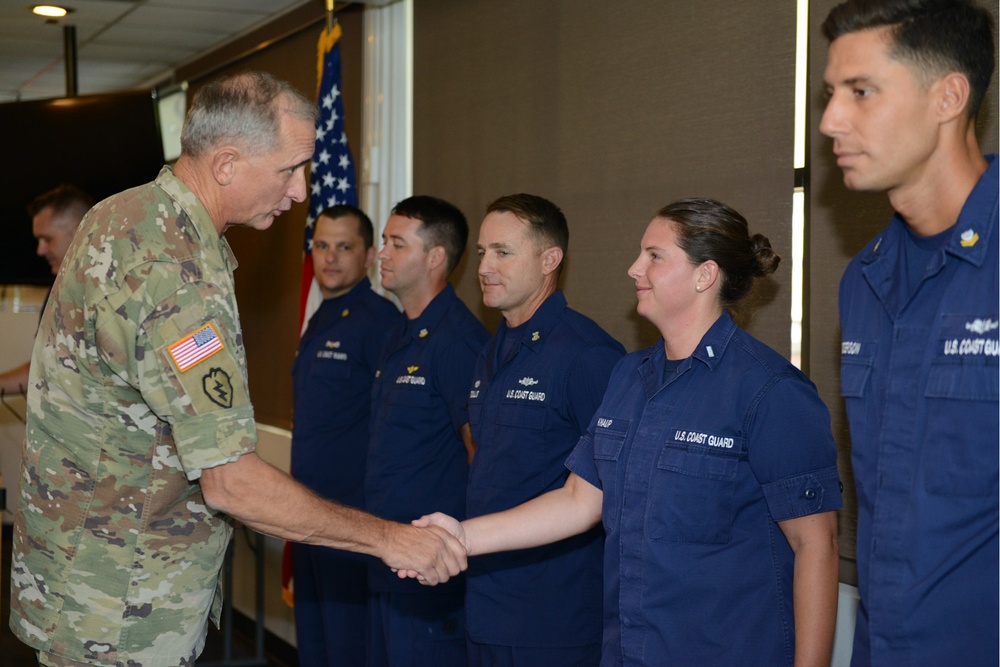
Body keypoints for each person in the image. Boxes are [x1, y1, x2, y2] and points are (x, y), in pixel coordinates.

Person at [9, 71, 466, 667]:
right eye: (290, 168)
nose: (302, 191)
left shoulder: (124, 214)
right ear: (226, 164)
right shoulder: (173, 269)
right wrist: (394, 538)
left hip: (86, 579)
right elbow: (231, 480)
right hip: (116, 604)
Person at [416, 199, 843, 666]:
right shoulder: (628, 376)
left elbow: (816, 545)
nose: (634, 268)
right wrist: (460, 535)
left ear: (705, 276)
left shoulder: (771, 391)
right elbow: (579, 500)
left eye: (654, 256)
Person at [819, 1, 998, 664]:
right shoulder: (863, 282)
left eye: (861, 92)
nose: (830, 120)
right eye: (830, 94)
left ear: (948, 95)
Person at [465, 193, 624, 666]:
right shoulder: (491, 351)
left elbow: (610, 491)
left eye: (503, 252)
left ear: (550, 259)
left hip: (551, 615)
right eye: (481, 252)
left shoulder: (587, 356)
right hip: (485, 601)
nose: (485, 266)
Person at [367, 195, 490, 666]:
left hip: (430, 571)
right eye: (383, 242)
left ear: (436, 258)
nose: (382, 254)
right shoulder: (398, 333)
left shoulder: (459, 343)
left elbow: (480, 455)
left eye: (397, 244)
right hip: (387, 561)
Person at [290, 205, 401, 666]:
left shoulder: (380, 322)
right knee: (315, 646)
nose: (330, 258)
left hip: (349, 518)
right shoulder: (322, 317)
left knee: (349, 648)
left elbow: (389, 426)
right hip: (306, 512)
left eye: (345, 247)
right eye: (321, 246)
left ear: (370, 255)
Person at [0, 184, 92, 396]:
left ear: (80, 229)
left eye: (47, 239)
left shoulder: (118, 288)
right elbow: (49, 364)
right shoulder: (60, 288)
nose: (40, 250)